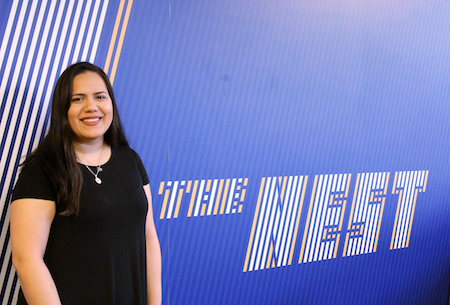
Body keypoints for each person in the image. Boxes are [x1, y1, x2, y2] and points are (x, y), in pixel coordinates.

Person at [10, 62, 162, 305]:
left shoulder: (129, 160)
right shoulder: (43, 167)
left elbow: (149, 238)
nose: (91, 107)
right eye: (78, 99)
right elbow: (26, 258)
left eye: (100, 97)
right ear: (63, 108)